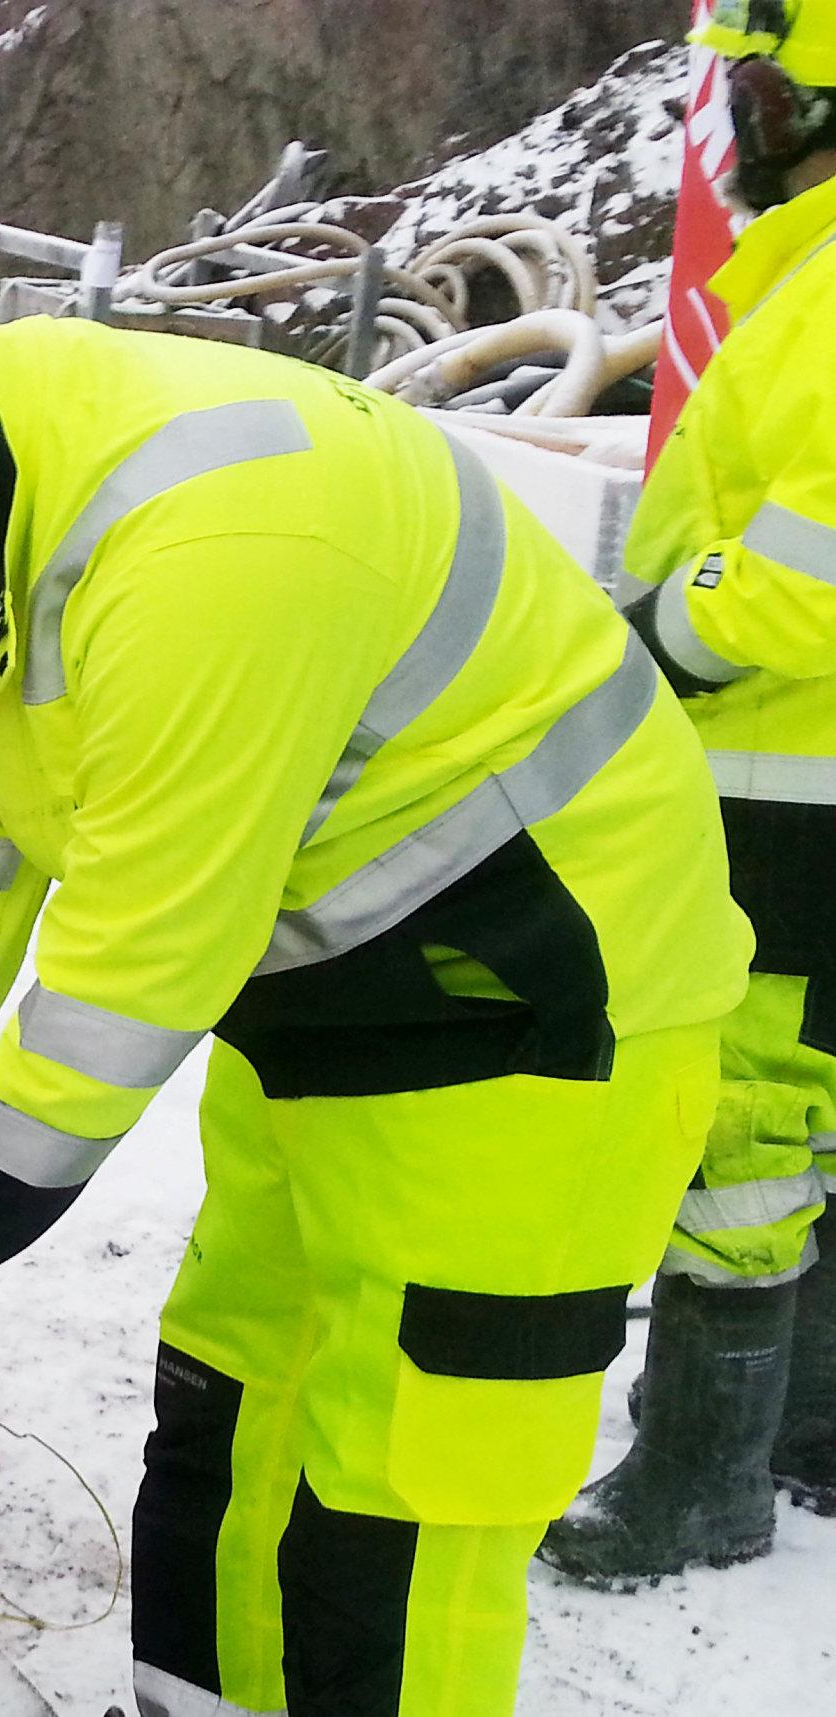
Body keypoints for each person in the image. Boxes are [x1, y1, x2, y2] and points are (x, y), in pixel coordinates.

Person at [0, 230, 753, 1715]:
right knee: (224, 1415)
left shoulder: (207, 549)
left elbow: (117, 993)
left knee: (385, 1515)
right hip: (334, 1009)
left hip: (537, 1023)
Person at [539, 0, 836, 1585]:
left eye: (741, 83)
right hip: (799, 784)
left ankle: (700, 1482)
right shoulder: (798, 280)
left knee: (741, 1136)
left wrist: (662, 627)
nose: (718, 117)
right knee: (804, 1113)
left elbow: (811, 571)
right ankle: (804, 1436)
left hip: (788, 797)